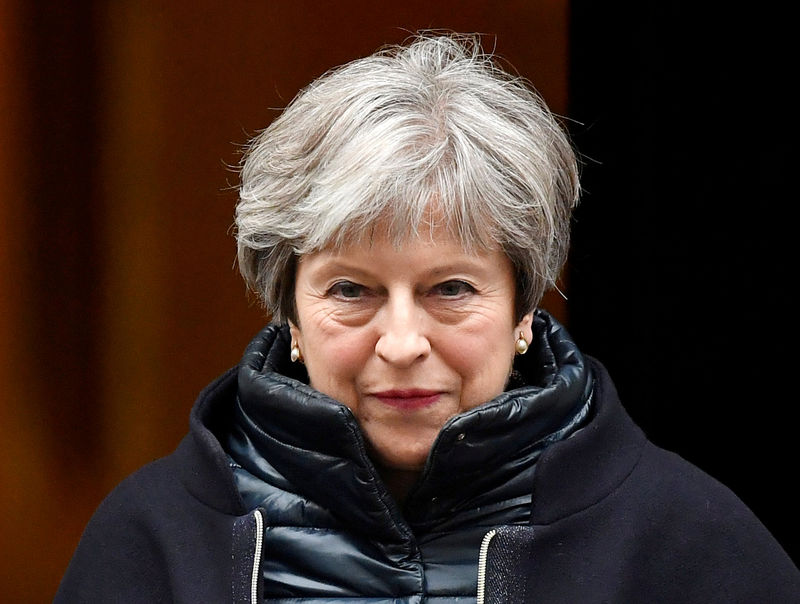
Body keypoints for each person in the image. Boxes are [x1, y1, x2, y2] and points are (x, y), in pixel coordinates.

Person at [55, 33, 799, 603]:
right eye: (351, 290)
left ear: (524, 308)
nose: (404, 344)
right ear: (289, 312)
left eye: (451, 289)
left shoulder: (694, 545)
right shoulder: (147, 545)